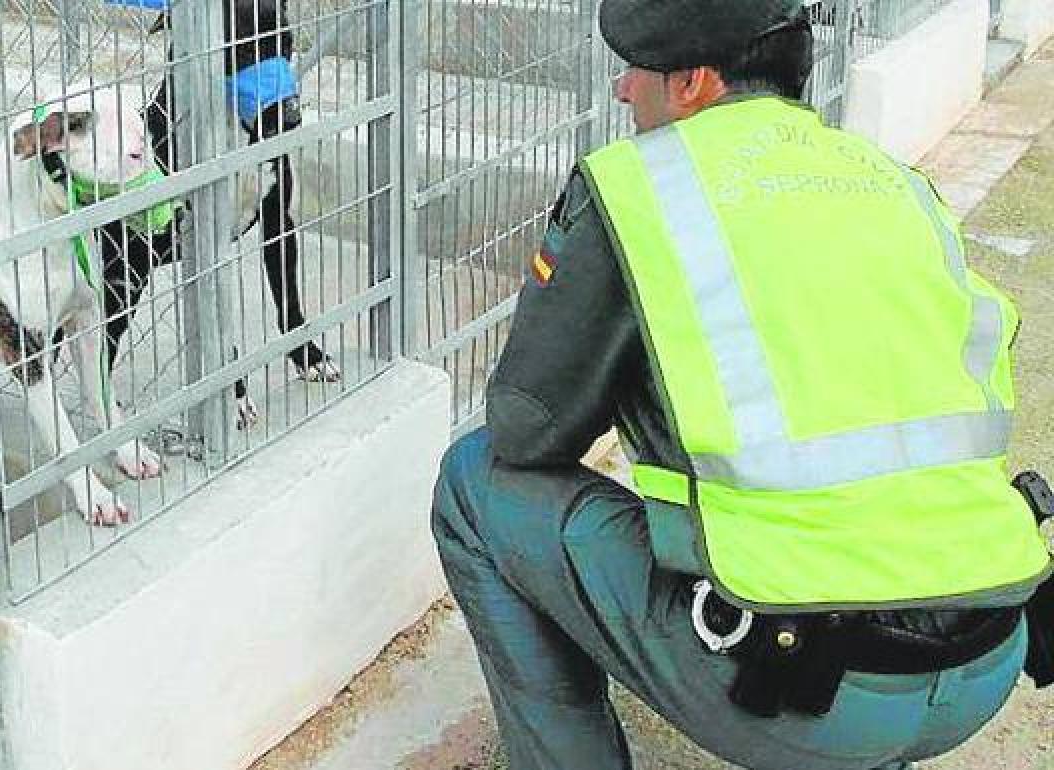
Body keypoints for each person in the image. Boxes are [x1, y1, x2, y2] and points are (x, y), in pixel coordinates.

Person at [429, 1, 1054, 768]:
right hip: (987, 654)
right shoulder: (893, 182)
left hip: (808, 694)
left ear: (691, 82)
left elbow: (526, 429)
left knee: (471, 481)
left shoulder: (643, 187)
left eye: (636, 70)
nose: (624, 90)